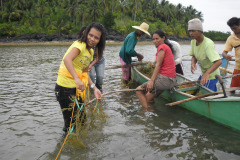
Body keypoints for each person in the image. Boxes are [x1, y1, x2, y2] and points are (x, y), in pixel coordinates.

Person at [54, 22, 106, 133]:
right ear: (86, 33)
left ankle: (78, 148)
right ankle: (66, 147)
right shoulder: (80, 45)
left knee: (82, 121)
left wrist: (94, 88)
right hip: (64, 88)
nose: (92, 39)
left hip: (77, 89)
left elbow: (83, 73)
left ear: (100, 41)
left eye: (96, 38)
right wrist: (77, 79)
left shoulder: (91, 51)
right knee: (71, 125)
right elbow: (67, 60)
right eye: (91, 35)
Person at [136, 29, 177, 108]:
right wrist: (154, 62)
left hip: (165, 80)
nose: (155, 41)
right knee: (148, 97)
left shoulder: (162, 47)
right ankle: (153, 111)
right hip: (171, 80)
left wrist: (151, 81)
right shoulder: (165, 47)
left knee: (138, 90)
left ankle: (145, 111)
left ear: (163, 38)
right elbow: (158, 58)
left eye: (157, 39)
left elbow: (158, 65)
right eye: (153, 39)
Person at [188, 18, 222, 92]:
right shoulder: (193, 41)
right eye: (189, 31)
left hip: (211, 74)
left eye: (193, 31)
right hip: (204, 73)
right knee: (198, 90)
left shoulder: (208, 44)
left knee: (205, 94)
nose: (191, 33)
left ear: (200, 31)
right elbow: (194, 55)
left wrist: (207, 73)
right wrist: (193, 63)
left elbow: (219, 62)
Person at [78, 26, 105, 92]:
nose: (92, 39)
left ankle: (99, 91)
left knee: (100, 78)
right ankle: (92, 92)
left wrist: (90, 66)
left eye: (95, 37)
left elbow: (98, 57)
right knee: (91, 76)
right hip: (89, 61)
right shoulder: (81, 45)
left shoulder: (97, 44)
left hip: (99, 61)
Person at [222, 17, 240, 91]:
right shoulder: (231, 38)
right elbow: (224, 53)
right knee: (232, 89)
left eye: (235, 28)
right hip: (238, 67)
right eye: (232, 29)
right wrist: (226, 56)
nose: (234, 30)